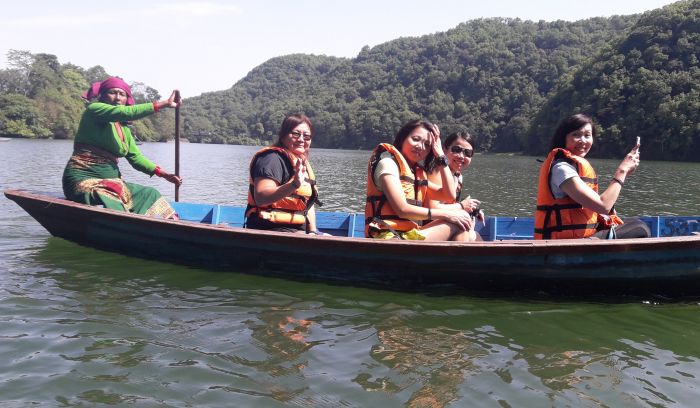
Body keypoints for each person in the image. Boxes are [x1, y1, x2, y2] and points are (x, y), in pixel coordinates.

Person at [62, 77, 182, 219]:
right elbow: (126, 113)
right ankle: (126, 227)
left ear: (127, 99)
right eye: (112, 93)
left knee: (150, 193)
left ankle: (169, 226)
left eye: (122, 94)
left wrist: (164, 174)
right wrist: (163, 104)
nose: (118, 98)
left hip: (112, 183)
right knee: (110, 194)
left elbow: (135, 158)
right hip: (82, 179)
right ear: (102, 96)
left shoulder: (124, 128)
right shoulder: (94, 110)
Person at [534, 113, 651, 239]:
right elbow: (603, 206)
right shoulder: (561, 169)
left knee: (635, 223)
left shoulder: (573, 166)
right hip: (563, 244)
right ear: (563, 138)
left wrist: (626, 172)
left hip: (580, 238)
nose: (583, 141)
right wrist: (622, 171)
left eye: (587, 135)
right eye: (576, 135)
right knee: (641, 229)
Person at [365, 119, 478, 241]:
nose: (420, 146)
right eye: (415, 139)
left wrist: (440, 156)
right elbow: (402, 209)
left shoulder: (417, 174)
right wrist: (448, 215)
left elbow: (449, 195)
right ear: (403, 138)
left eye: (427, 145)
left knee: (462, 220)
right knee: (458, 222)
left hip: (408, 233)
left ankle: (455, 260)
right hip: (387, 236)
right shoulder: (388, 164)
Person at [245, 113, 322, 234]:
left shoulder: (301, 162)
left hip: (296, 232)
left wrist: (313, 232)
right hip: (269, 231)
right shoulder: (271, 159)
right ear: (283, 135)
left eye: (307, 136)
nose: (301, 139)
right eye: (296, 134)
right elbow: (261, 197)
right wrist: (294, 184)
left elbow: (307, 202)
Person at [425, 131, 483, 226]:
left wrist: (472, 210)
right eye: (456, 150)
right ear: (444, 150)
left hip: (444, 224)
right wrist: (462, 206)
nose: (461, 156)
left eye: (467, 153)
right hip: (431, 225)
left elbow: (448, 204)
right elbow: (431, 208)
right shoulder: (437, 172)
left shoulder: (457, 175)